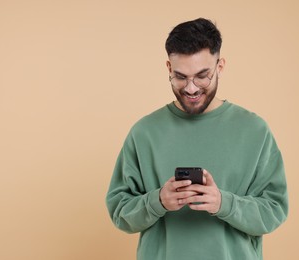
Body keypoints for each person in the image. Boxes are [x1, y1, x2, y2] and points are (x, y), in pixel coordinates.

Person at [105, 18, 288, 260]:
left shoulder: (254, 130)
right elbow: (119, 211)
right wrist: (157, 201)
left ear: (220, 67)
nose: (191, 89)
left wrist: (223, 203)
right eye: (181, 77)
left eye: (202, 76)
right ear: (169, 68)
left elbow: (274, 210)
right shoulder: (144, 132)